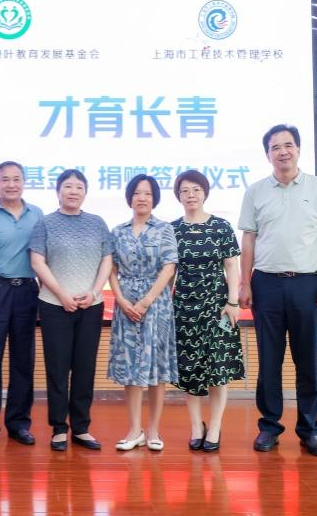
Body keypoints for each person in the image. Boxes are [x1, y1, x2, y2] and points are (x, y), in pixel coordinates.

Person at [239, 124, 317, 457]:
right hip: (266, 284)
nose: (283, 151)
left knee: (307, 360)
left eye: (288, 145)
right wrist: (244, 282)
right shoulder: (255, 191)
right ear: (267, 154)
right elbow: (248, 240)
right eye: (275, 147)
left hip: (307, 284)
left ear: (298, 149)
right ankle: (269, 427)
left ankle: (309, 430)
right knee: (269, 361)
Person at [30, 169, 113, 451]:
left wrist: (94, 292)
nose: (73, 191)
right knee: (57, 367)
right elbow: (37, 262)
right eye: (68, 186)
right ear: (58, 191)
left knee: (84, 368)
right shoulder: (45, 223)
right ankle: (58, 428)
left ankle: (81, 427)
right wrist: (62, 294)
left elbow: (107, 259)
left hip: (91, 306)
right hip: (54, 305)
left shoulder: (97, 222)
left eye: (79, 187)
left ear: (85, 192)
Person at [0, 161, 44, 449]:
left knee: (23, 361)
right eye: (5, 179)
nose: (11, 184)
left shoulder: (37, 214)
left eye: (16, 179)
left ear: (24, 182)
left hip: (27, 291)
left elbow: (42, 258)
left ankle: (19, 424)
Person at [171, 169, 245, 453]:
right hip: (184, 307)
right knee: (189, 369)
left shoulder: (221, 227)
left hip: (217, 307)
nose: (191, 195)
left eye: (196, 189)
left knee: (218, 367)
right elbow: (169, 273)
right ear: (178, 196)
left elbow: (232, 266)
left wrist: (233, 302)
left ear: (205, 192)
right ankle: (195, 426)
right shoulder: (172, 229)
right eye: (185, 190)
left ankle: (214, 426)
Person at [107, 174, 178, 452]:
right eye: (137, 193)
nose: (142, 198)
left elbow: (169, 267)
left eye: (147, 193)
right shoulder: (118, 231)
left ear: (155, 198)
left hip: (156, 304)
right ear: (129, 198)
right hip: (126, 304)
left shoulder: (164, 229)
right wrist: (121, 300)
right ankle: (134, 430)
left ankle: (153, 430)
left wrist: (147, 300)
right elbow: (111, 269)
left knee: (157, 368)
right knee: (131, 367)